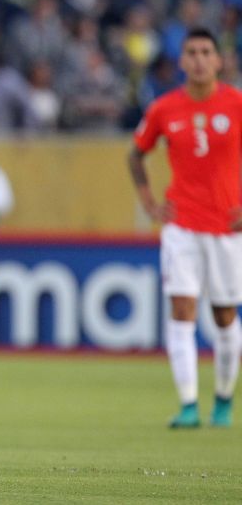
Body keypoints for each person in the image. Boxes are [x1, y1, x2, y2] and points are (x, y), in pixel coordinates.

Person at [128, 27, 242, 429]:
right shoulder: (163, 108)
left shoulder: (236, 103)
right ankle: (189, 404)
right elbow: (136, 154)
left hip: (227, 228)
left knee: (225, 314)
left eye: (205, 51)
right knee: (182, 309)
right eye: (191, 51)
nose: (198, 58)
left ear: (218, 60)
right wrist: (149, 202)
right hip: (181, 225)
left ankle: (224, 400)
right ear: (181, 60)